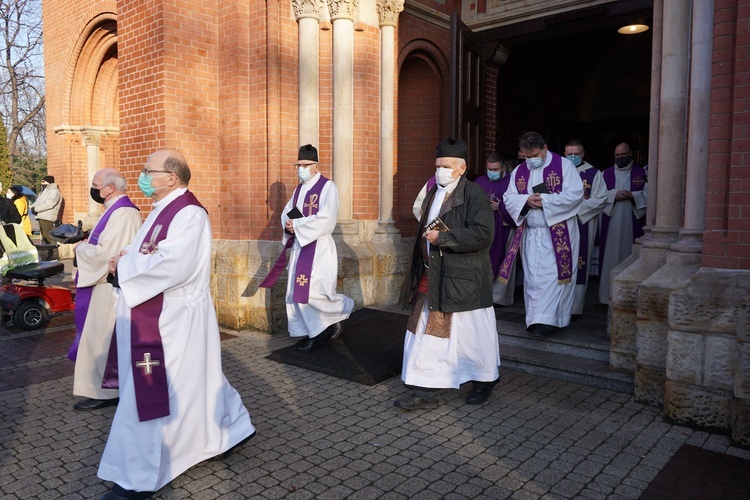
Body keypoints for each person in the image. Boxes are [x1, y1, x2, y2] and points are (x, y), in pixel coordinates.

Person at [98, 150, 255, 499]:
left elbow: (174, 265)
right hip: (162, 312)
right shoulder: (162, 211)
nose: (142, 176)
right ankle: (230, 431)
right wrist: (125, 258)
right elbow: (148, 254)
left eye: (147, 171)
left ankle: (135, 477)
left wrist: (124, 267)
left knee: (152, 391)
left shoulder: (189, 214)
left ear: (171, 177)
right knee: (196, 381)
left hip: (174, 316)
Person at [395, 137, 500, 410]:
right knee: (428, 334)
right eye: (437, 165)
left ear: (462, 168)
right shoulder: (433, 191)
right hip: (435, 276)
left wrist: (443, 238)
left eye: (446, 166)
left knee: (472, 336)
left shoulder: (474, 194)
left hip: (464, 280)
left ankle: (484, 381)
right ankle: (426, 389)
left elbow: (483, 234)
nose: (440, 170)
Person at [261, 144, 354, 352]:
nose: (300, 169)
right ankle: (313, 332)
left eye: (305, 165)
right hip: (300, 247)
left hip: (318, 247)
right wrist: (288, 223)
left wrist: (298, 225)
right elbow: (289, 211)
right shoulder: (299, 189)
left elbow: (327, 218)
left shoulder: (328, 187)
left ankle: (337, 313)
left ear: (316, 166)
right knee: (296, 292)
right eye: (298, 165)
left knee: (314, 293)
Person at [69, 169, 141, 411]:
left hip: (107, 288)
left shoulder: (123, 213)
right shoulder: (114, 209)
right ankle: (100, 388)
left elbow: (106, 254)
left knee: (103, 340)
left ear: (110, 188)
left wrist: (80, 249)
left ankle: (109, 389)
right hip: (100, 286)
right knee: (96, 338)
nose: (93, 189)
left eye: (96, 185)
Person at [501, 132, 584, 337]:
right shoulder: (520, 170)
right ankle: (534, 318)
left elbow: (575, 194)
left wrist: (545, 201)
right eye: (527, 156)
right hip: (531, 233)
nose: (531, 160)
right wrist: (526, 201)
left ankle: (549, 321)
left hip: (557, 231)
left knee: (553, 277)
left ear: (545, 148)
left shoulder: (564, 166)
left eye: (535, 155)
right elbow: (509, 197)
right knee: (533, 277)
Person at [598, 142, 647, 305]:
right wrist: (613, 195)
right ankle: (606, 296)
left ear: (630, 154)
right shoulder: (606, 174)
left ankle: (627, 297)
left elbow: (650, 195)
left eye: (623, 154)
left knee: (629, 254)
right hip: (611, 221)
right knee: (609, 257)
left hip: (632, 220)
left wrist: (633, 195)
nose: (620, 158)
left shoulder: (641, 173)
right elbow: (598, 196)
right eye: (617, 155)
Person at [563, 140, 607, 316]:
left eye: (576, 154)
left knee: (580, 262)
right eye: (569, 154)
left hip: (583, 222)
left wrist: (575, 208)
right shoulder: (558, 172)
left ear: (583, 154)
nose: (572, 157)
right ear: (564, 154)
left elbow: (601, 198)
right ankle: (558, 306)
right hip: (562, 222)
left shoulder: (594, 173)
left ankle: (574, 308)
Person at [474, 153, 518, 306]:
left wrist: (500, 207)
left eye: (495, 169)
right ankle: (481, 294)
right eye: (489, 169)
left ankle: (500, 298)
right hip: (484, 228)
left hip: (504, 227)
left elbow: (517, 204)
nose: (491, 172)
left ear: (503, 168)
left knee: (504, 261)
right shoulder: (479, 182)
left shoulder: (512, 182)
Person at [30, 175, 63, 260]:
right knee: (45, 237)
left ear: (48, 182)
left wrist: (36, 209)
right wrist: (32, 208)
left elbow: (49, 203)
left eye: (43, 181)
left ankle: (53, 256)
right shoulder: (44, 191)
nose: (42, 183)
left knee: (49, 237)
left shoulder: (54, 191)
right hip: (42, 216)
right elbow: (38, 201)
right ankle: (46, 255)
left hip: (48, 217)